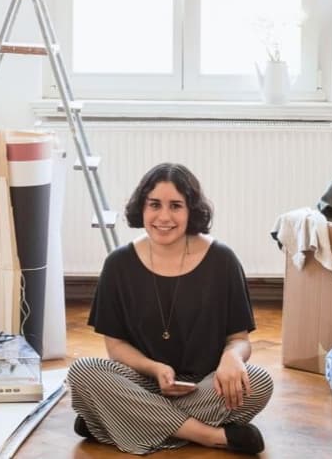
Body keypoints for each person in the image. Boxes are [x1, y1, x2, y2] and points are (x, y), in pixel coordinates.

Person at [67, 163, 273, 455]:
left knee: (260, 382)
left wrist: (232, 358)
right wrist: (154, 368)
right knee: (83, 371)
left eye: (175, 206)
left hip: (206, 384)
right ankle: (210, 436)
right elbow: (115, 346)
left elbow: (239, 339)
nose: (164, 217)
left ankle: (112, 422)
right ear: (142, 207)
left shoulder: (222, 260)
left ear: (191, 211)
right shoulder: (118, 264)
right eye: (154, 205)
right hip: (143, 383)